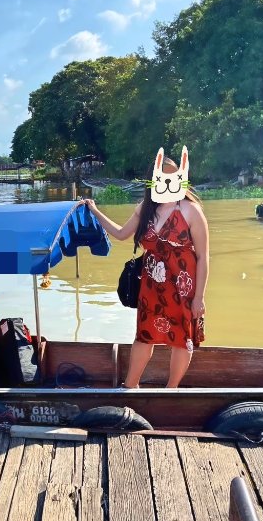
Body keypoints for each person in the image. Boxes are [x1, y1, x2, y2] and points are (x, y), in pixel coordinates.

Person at [82, 155, 209, 388]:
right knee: (144, 335)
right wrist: (95, 211)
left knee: (181, 339)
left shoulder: (191, 210)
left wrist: (199, 298)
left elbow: (203, 256)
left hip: (183, 286)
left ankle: (171, 391)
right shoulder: (146, 208)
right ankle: (130, 386)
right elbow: (121, 234)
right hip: (151, 286)